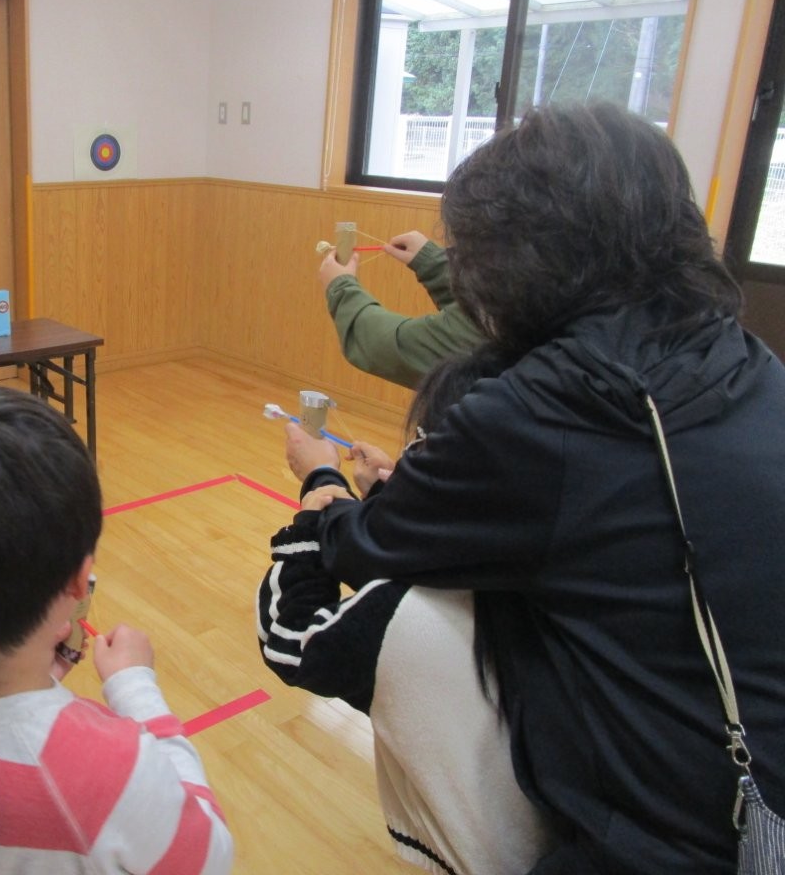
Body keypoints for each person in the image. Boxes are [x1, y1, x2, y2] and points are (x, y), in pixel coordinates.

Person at [283, 103, 785, 874]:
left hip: (664, 841)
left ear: (515, 265)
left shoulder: (539, 412)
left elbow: (365, 545)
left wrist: (324, 483)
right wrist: (429, 485)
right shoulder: (744, 357)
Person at [0, 385, 233, 874]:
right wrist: (136, 688)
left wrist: (41, 682)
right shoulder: (106, 770)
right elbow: (211, 857)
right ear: (79, 580)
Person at [259, 346, 554, 875]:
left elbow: (289, 639)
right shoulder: (556, 561)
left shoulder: (406, 620)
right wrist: (387, 491)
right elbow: (428, 550)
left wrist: (315, 502)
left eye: (422, 446)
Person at [318, 228, 483, 389]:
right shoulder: (493, 301)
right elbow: (476, 304)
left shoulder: (489, 325)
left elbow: (386, 347)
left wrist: (340, 287)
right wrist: (430, 260)